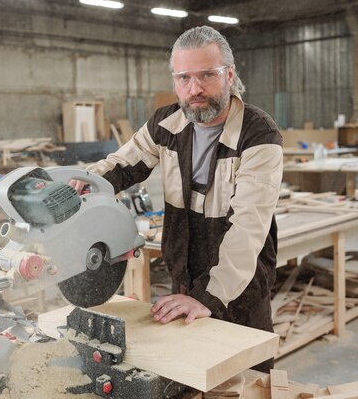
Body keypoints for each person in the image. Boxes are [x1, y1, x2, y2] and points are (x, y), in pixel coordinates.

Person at [71, 26, 282, 372]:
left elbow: (248, 228)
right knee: (189, 375)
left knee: (246, 378)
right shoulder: (165, 124)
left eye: (207, 76)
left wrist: (207, 298)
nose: (194, 89)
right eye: (184, 77)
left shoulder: (258, 133)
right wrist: (83, 185)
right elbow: (122, 164)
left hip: (237, 285)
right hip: (183, 272)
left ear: (229, 74)